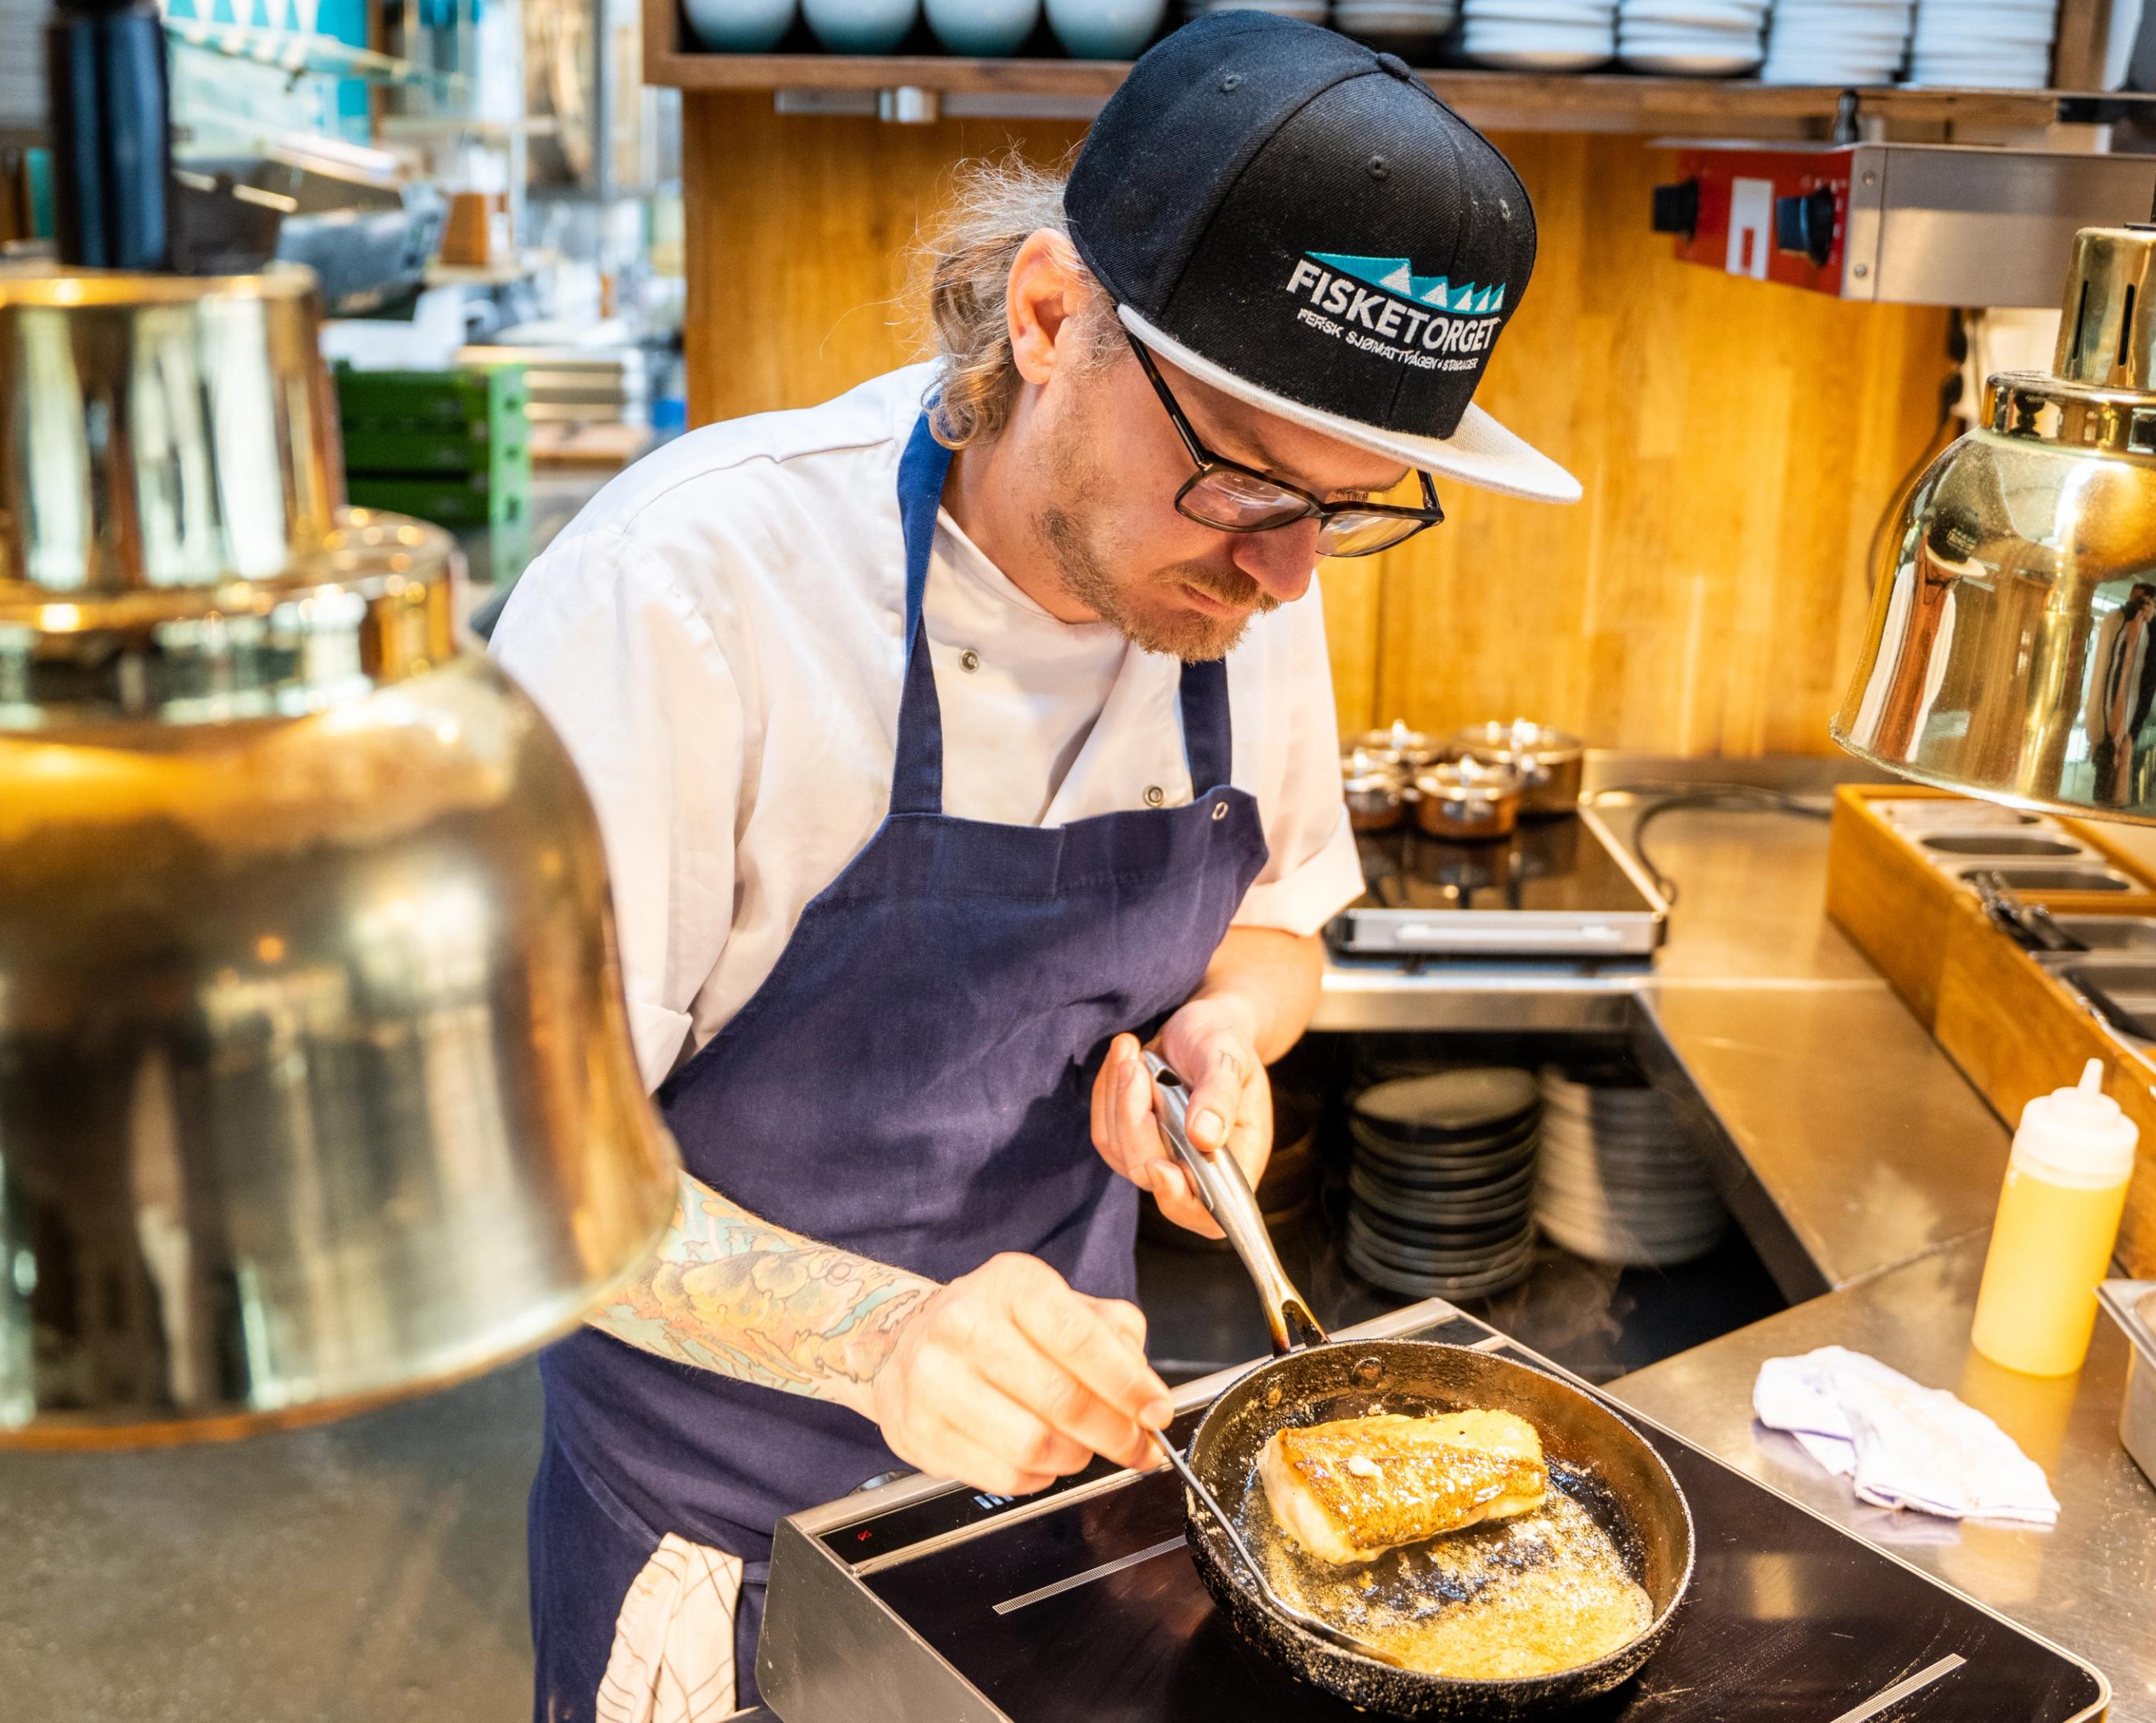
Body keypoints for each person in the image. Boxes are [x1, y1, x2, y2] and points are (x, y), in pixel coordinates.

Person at [488, 14, 1579, 1719]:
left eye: (1356, 507)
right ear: (1052, 317)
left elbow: (1283, 915)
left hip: (1069, 1490)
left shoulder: (1246, 578)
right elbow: (505, 1175)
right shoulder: (691, 597)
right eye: (1242, 482)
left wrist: (1230, 1033)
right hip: (726, 1533)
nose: (1292, 575)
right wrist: (878, 1341)